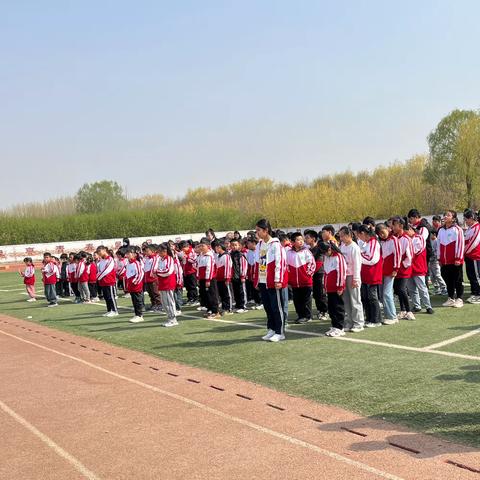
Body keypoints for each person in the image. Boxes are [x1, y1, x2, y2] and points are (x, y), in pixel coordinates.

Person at [254, 219, 288, 342]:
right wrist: (257, 280)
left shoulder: (275, 245)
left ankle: (280, 332)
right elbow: (258, 263)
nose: (256, 232)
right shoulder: (259, 245)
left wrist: (278, 280)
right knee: (268, 306)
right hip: (263, 280)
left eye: (258, 230)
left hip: (273, 281)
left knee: (276, 307)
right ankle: (271, 329)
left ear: (266, 230)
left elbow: (280, 263)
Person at [317, 241, 347, 337]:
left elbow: (341, 272)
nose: (324, 254)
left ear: (329, 249)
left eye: (325, 252)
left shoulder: (338, 257)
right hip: (329, 288)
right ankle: (334, 326)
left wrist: (340, 286)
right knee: (331, 308)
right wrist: (324, 286)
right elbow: (325, 273)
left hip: (337, 287)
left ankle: (340, 327)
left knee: (338, 307)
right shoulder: (327, 257)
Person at [339, 227, 365, 332]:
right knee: (346, 301)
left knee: (355, 300)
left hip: (352, 276)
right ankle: (349, 322)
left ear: (348, 235)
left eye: (342, 236)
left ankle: (358, 323)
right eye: (340, 236)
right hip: (344, 276)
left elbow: (357, 264)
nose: (340, 238)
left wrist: (356, 279)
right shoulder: (342, 246)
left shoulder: (354, 247)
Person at [437, 210, 465, 308]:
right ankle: (450, 298)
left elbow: (461, 244)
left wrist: (458, 258)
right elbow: (438, 244)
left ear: (453, 219)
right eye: (445, 215)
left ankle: (459, 298)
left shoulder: (457, 229)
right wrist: (439, 258)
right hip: (444, 261)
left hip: (455, 261)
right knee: (447, 279)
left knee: (457, 279)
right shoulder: (440, 230)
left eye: (448, 215)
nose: (445, 216)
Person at [286, 232, 316, 323]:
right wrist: (289, 279)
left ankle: (308, 316)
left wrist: (307, 275)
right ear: (292, 242)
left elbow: (312, 264)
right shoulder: (288, 253)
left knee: (306, 300)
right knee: (297, 300)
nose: (301, 241)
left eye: (302, 239)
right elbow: (286, 266)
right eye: (298, 240)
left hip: (306, 281)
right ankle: (300, 315)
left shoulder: (306, 251)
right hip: (294, 282)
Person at [357, 225, 383, 327]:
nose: (359, 238)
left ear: (363, 233)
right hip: (365, 274)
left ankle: (376, 320)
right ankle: (369, 318)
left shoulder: (373, 242)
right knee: (365, 297)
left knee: (373, 297)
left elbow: (372, 259)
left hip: (373, 273)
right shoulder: (366, 243)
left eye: (359, 235)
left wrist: (359, 255)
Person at [406, 224, 434, 314]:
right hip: (409, 268)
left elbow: (415, 251)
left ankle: (428, 306)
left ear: (410, 229)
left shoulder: (419, 238)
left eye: (406, 231)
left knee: (422, 288)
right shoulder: (406, 239)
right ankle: (417, 305)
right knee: (411, 289)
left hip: (418, 267)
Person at [391, 217, 415, 320]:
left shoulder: (406, 239)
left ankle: (409, 311)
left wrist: (402, 265)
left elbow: (410, 255)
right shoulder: (393, 238)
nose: (392, 227)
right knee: (397, 290)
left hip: (404, 268)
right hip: (395, 269)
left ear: (400, 226)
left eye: (394, 224)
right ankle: (402, 310)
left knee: (401, 289)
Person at [376, 223, 400, 325]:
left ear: (387, 229)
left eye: (383, 232)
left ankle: (392, 316)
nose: (382, 235)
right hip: (382, 271)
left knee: (387, 293)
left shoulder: (394, 239)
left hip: (391, 271)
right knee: (383, 294)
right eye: (379, 234)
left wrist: (396, 269)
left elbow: (398, 254)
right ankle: (388, 315)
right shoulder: (380, 242)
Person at [304, 229, 328, 320]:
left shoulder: (318, 248)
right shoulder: (308, 250)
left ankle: (324, 311)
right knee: (316, 294)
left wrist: (310, 272)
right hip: (312, 274)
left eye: (307, 238)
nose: (305, 239)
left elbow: (319, 263)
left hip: (319, 273)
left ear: (313, 239)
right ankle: (319, 310)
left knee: (321, 293)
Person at [197, 237, 220, 319]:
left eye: (203, 246)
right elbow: (198, 267)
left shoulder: (209, 255)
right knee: (205, 295)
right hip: (202, 278)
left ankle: (215, 311)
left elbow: (209, 268)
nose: (201, 248)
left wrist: (208, 280)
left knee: (212, 294)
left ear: (208, 246)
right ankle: (209, 309)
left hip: (210, 279)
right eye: (200, 246)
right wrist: (198, 278)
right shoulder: (200, 255)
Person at [156, 242, 179, 327]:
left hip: (168, 283)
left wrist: (158, 272)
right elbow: (159, 269)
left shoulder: (169, 258)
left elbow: (168, 271)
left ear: (165, 251)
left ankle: (173, 319)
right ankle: (169, 318)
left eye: (160, 251)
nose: (158, 253)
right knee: (164, 302)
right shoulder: (160, 259)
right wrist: (158, 272)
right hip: (162, 283)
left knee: (170, 302)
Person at [96, 245, 119, 317]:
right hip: (103, 281)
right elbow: (99, 270)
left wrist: (99, 277)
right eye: (98, 252)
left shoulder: (110, 259)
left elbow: (107, 270)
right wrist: (99, 277)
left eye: (100, 251)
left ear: (104, 250)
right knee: (106, 296)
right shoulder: (101, 261)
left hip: (109, 281)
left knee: (111, 296)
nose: (99, 253)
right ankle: (109, 310)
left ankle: (115, 310)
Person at [464, 209, 480, 304]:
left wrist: (464, 251)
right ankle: (474, 293)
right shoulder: (470, 228)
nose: (465, 221)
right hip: (469, 256)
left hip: (475, 256)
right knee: (471, 275)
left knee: (476, 276)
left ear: (471, 218)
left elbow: (474, 242)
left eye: (466, 219)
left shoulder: (477, 227)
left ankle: (478, 294)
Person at [125, 246, 145, 323]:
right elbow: (127, 274)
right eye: (127, 254)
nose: (127, 255)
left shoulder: (136, 263)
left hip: (136, 285)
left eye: (129, 253)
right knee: (134, 300)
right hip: (131, 286)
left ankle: (140, 315)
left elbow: (140, 273)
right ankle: (136, 314)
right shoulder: (128, 263)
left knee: (138, 300)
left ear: (134, 254)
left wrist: (135, 281)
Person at [214, 240, 234, 314]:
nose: (215, 249)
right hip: (219, 279)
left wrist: (227, 278)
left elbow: (228, 267)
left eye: (216, 248)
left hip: (225, 278)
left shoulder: (226, 256)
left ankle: (229, 308)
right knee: (222, 294)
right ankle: (224, 307)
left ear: (219, 247)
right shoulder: (218, 256)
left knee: (227, 294)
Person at [230, 238, 248, 313]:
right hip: (234, 277)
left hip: (240, 277)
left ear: (239, 246)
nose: (234, 247)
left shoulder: (240, 255)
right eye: (232, 245)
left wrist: (243, 276)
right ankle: (237, 305)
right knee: (236, 291)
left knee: (241, 291)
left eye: (235, 245)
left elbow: (244, 266)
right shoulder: (230, 254)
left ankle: (243, 306)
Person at [178, 240, 199, 305]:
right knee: (187, 286)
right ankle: (190, 298)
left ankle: (195, 299)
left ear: (186, 246)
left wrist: (187, 257)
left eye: (183, 248)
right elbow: (183, 262)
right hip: (185, 271)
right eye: (181, 249)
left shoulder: (192, 251)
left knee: (192, 286)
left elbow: (194, 260)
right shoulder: (183, 252)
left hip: (192, 271)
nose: (182, 250)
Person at [428, 229, 448, 296]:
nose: (429, 235)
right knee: (432, 276)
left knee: (437, 275)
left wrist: (435, 257)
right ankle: (437, 288)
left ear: (434, 234)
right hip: (430, 260)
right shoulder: (429, 241)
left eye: (430, 234)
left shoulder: (437, 241)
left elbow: (437, 251)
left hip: (435, 260)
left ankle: (444, 288)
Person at [245, 236, 262, 309]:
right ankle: (257, 302)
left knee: (259, 288)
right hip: (251, 274)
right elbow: (248, 263)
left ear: (254, 243)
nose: (247, 245)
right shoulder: (248, 252)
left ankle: (262, 302)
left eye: (249, 243)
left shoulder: (260, 251)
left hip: (259, 273)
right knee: (253, 288)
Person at [143, 244, 162, 312]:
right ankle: (154, 304)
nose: (146, 252)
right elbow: (144, 268)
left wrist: (152, 274)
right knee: (150, 292)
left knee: (155, 292)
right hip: (147, 278)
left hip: (153, 278)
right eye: (146, 251)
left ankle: (159, 304)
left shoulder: (155, 258)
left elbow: (154, 267)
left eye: (148, 251)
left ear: (153, 251)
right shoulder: (147, 259)